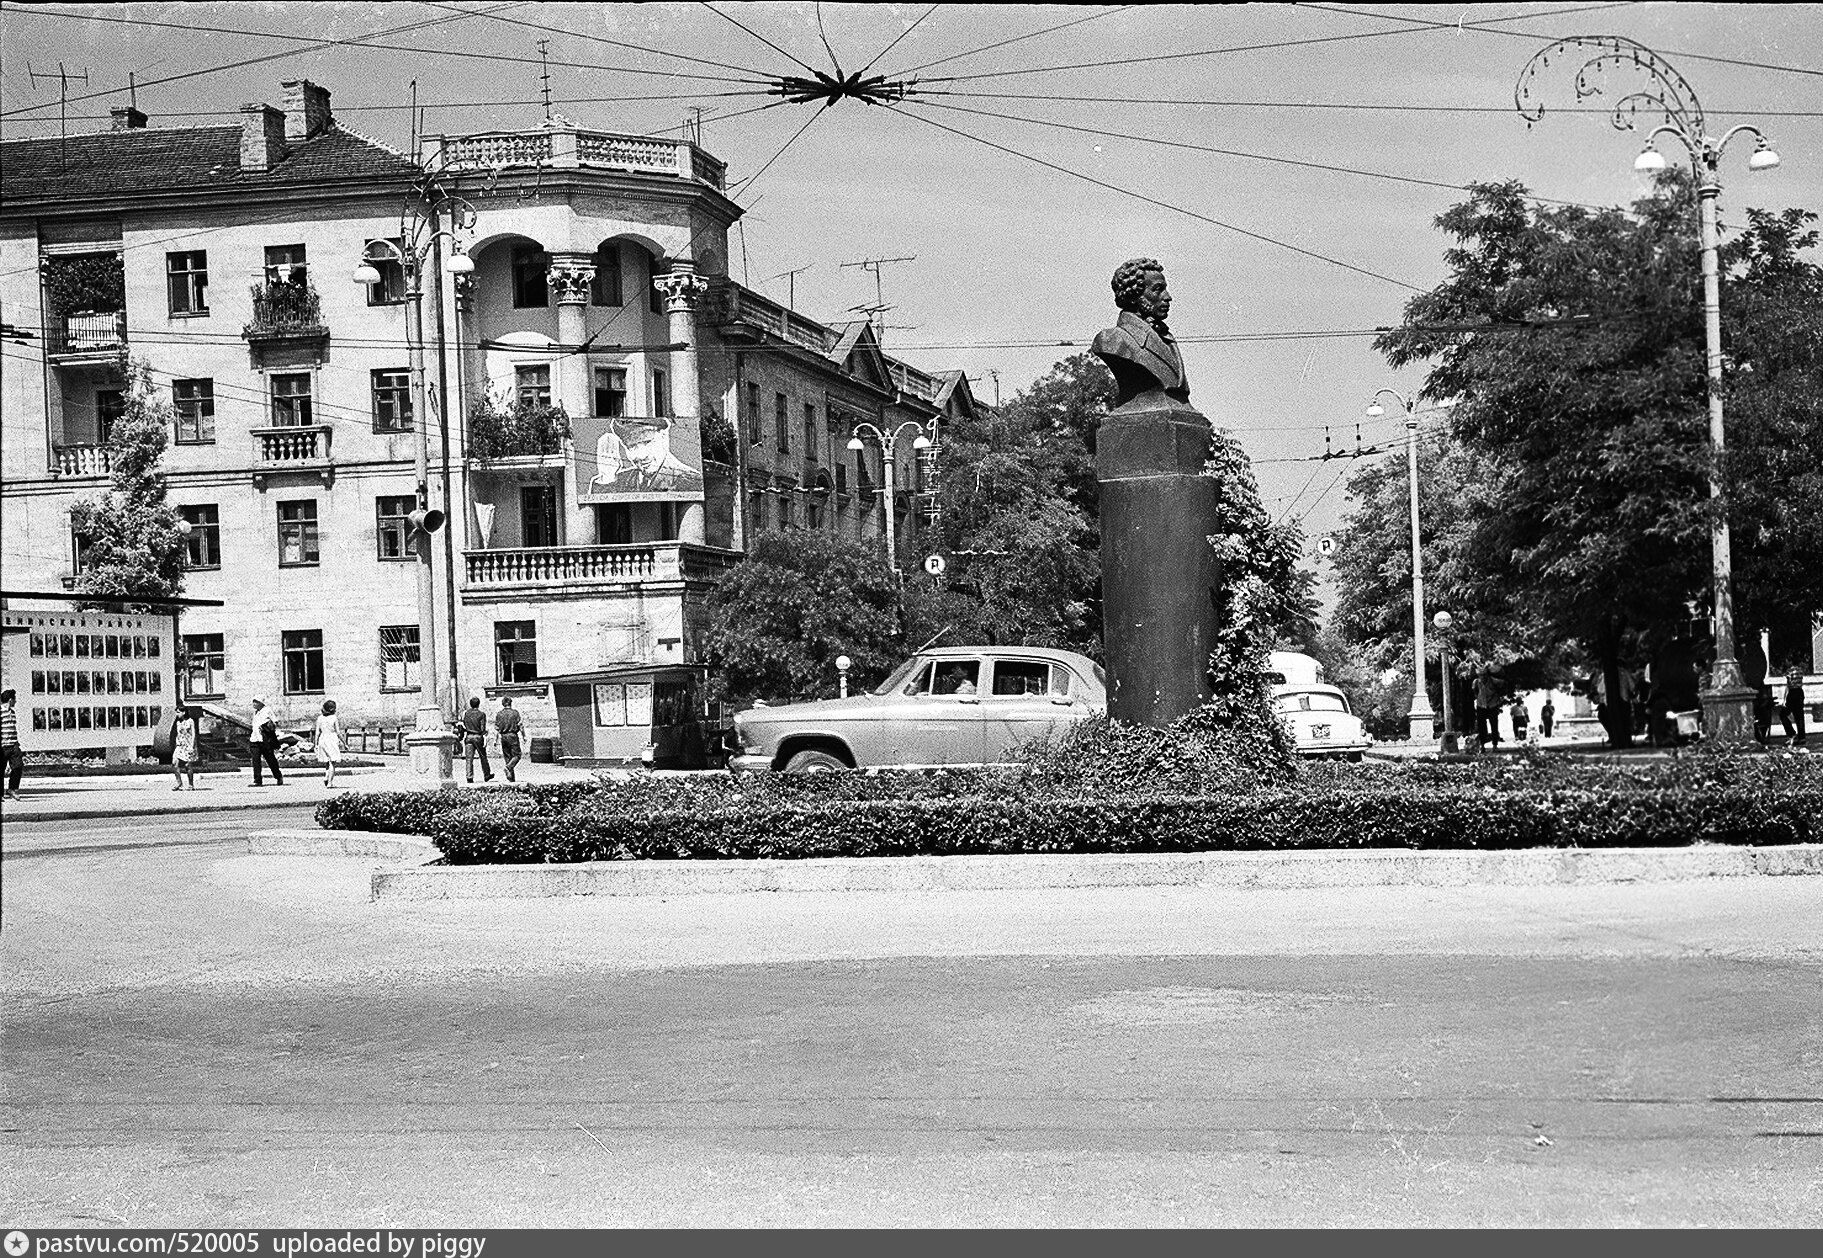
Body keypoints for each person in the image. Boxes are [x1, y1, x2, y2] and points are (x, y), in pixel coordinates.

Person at [1090, 257, 1191, 408]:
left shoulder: (1165, 338)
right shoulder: (1111, 340)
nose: (1168, 297)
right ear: (1134, 296)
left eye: (1165, 289)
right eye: (1158, 290)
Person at [248, 697, 285, 787]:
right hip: (255, 739)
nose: (254, 704)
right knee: (255, 760)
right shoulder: (256, 712)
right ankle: (257, 780)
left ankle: (278, 776)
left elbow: (275, 722)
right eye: (253, 702)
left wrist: (267, 726)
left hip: (265, 739)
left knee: (270, 759)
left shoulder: (267, 710)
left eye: (256, 702)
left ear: (261, 703)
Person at [460, 696, 494, 783]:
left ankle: (469, 776)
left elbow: (463, 724)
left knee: (469, 758)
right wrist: (485, 734)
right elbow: (482, 728)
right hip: (478, 736)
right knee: (483, 756)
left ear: (470, 704)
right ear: (479, 704)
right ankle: (486, 774)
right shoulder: (481, 714)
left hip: (468, 736)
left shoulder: (466, 714)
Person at [314, 699, 344, 789]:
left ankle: (326, 776)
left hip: (322, 739)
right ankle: (330, 782)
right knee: (333, 762)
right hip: (331, 739)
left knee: (327, 761)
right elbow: (338, 732)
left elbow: (317, 733)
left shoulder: (319, 718)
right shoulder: (334, 718)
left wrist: (315, 744)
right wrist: (344, 742)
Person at [494, 696, 524, 783]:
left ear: (503, 704)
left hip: (503, 736)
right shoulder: (515, 713)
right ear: (511, 703)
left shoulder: (499, 714)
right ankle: (508, 768)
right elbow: (520, 725)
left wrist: (495, 740)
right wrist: (524, 735)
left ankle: (511, 778)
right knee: (517, 755)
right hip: (513, 735)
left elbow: (497, 729)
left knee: (507, 756)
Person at [171, 704, 200, 791]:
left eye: (178, 712)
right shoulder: (178, 723)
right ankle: (179, 783)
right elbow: (178, 734)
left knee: (187, 765)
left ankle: (191, 784)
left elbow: (193, 734)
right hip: (180, 745)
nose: (177, 714)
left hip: (188, 745)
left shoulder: (190, 721)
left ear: (184, 712)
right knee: (174, 763)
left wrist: (192, 745)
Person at [1, 687, 23, 801]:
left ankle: (12, 789)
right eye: (14, 699)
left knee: (18, 766)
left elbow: (12, 728)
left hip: (13, 745)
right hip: (3, 745)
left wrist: (16, 742)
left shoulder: (13, 712)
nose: (16, 701)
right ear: (10, 700)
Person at [1781, 669, 1809, 748]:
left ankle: (1791, 734)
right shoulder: (1800, 671)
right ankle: (1801, 737)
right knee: (1799, 715)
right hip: (1800, 693)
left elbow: (1788, 685)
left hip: (1793, 693)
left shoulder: (1790, 671)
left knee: (1783, 715)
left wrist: (1784, 700)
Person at [1474, 672, 1501, 749]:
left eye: (1484, 675)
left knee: (1494, 725)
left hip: (1493, 704)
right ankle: (1482, 745)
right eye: (1481, 675)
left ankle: (1495, 745)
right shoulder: (1476, 682)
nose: (1482, 677)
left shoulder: (1494, 681)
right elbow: (1475, 692)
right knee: (1481, 726)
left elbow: (1502, 685)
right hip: (1481, 705)